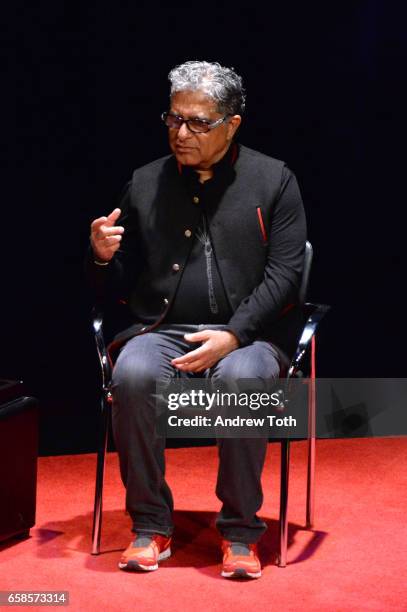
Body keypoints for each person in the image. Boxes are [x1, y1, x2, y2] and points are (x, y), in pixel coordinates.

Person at [86, 60, 306, 579]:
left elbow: (288, 274)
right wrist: (100, 257)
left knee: (241, 379)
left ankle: (239, 531)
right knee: (134, 374)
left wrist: (234, 334)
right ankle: (150, 525)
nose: (181, 134)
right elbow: (116, 286)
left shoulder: (274, 179)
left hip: (250, 334)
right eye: (173, 119)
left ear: (232, 124)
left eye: (198, 123)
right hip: (161, 330)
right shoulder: (144, 182)